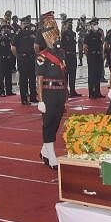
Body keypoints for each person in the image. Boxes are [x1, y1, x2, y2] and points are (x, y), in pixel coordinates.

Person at [36, 20, 67, 170]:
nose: (56, 38)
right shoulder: (42, 56)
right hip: (48, 94)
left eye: (56, 35)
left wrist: (65, 94)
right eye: (53, 36)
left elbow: (64, 75)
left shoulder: (61, 53)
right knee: (48, 124)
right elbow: (39, 79)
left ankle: (44, 151)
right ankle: (52, 156)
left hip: (60, 93)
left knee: (56, 123)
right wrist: (40, 99)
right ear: (47, 37)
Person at [12, 15, 38, 104]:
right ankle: (24, 98)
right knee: (23, 80)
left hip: (31, 58)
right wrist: (18, 56)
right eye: (24, 24)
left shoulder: (32, 34)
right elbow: (13, 48)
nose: (26, 25)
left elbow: (36, 45)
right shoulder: (18, 34)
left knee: (32, 79)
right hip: (22, 59)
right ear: (21, 24)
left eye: (27, 23)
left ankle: (33, 96)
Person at [83, 17, 105, 98]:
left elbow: (101, 45)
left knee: (98, 74)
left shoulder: (99, 34)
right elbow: (85, 47)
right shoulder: (88, 35)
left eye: (97, 24)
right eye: (94, 24)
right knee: (91, 75)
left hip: (98, 56)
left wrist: (102, 54)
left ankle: (97, 92)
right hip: (91, 57)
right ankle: (91, 93)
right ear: (91, 25)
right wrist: (88, 56)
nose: (96, 25)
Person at [60, 18, 81, 97]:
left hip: (73, 55)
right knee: (66, 75)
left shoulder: (73, 34)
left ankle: (73, 90)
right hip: (66, 56)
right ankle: (66, 91)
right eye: (69, 23)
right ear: (66, 24)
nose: (71, 25)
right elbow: (62, 46)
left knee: (73, 74)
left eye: (71, 23)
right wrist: (63, 57)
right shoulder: (64, 34)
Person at [0, 23, 15, 97]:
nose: (5, 31)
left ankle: (9, 90)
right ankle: (2, 91)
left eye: (7, 29)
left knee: (9, 76)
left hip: (9, 60)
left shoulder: (10, 39)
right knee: (1, 76)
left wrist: (11, 57)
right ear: (1, 31)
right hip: (2, 59)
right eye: (3, 30)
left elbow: (12, 49)